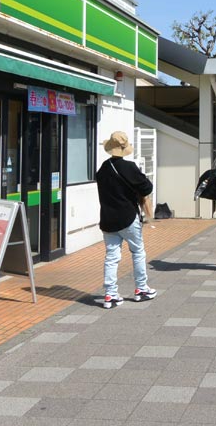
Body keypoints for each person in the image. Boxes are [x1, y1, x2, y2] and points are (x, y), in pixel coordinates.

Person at [95, 131, 157, 309]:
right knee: (137, 252)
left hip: (107, 219)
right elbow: (147, 187)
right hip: (128, 217)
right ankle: (141, 289)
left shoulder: (103, 169)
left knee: (111, 257)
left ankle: (110, 294)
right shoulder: (129, 167)